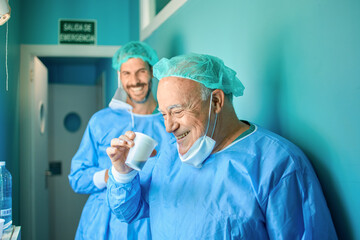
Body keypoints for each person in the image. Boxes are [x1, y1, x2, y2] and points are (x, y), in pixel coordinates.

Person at [106, 53, 338, 239]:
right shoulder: (169, 155)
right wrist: (122, 173)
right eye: (163, 114)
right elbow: (129, 211)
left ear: (216, 101)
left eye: (177, 111)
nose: (168, 127)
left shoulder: (278, 164)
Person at [68, 41, 173, 240]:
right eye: (127, 73)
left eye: (141, 71)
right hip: (103, 223)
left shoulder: (168, 121)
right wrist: (114, 174)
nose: (134, 80)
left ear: (152, 72)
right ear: (119, 76)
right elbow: (77, 178)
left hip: (149, 221)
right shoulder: (102, 120)